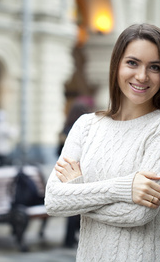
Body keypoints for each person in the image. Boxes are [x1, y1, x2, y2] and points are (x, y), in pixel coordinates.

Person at [45, 23, 160, 261]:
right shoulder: (86, 125)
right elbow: (54, 200)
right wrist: (125, 188)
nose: (142, 76)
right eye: (132, 63)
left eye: (154, 67)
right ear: (117, 65)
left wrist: (77, 192)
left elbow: (137, 214)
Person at [57, 97, 94, 248]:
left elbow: (58, 152)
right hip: (78, 172)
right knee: (77, 207)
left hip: (64, 171)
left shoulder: (65, 129)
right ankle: (71, 238)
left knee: (72, 207)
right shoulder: (82, 131)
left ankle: (69, 238)